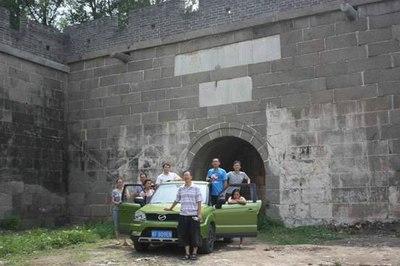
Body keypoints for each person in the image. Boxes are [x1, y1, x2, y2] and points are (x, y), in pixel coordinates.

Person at [164, 170, 202, 260]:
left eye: (187, 175)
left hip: (193, 214)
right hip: (183, 214)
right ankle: (187, 253)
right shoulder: (181, 188)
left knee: (194, 234)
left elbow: (199, 201)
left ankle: (194, 253)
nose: (186, 177)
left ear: (191, 177)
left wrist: (199, 213)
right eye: (184, 175)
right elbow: (177, 200)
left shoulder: (196, 188)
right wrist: (170, 208)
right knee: (184, 234)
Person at [111, 178, 130, 246]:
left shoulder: (125, 190)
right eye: (119, 182)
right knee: (116, 224)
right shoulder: (114, 191)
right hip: (116, 208)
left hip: (124, 209)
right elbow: (112, 201)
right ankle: (117, 240)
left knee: (124, 224)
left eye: (121, 182)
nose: (120, 183)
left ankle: (125, 240)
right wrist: (117, 203)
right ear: (117, 183)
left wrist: (125, 191)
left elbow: (128, 198)